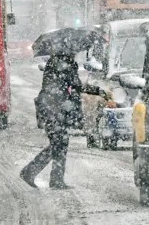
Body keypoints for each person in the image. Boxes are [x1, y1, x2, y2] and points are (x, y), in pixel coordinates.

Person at [21, 53, 107, 189]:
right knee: (59, 142)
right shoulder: (65, 62)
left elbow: (69, 86)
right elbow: (76, 85)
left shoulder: (55, 61)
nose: (77, 52)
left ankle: (45, 176)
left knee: (59, 143)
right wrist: (97, 91)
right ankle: (38, 174)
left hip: (50, 107)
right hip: (54, 108)